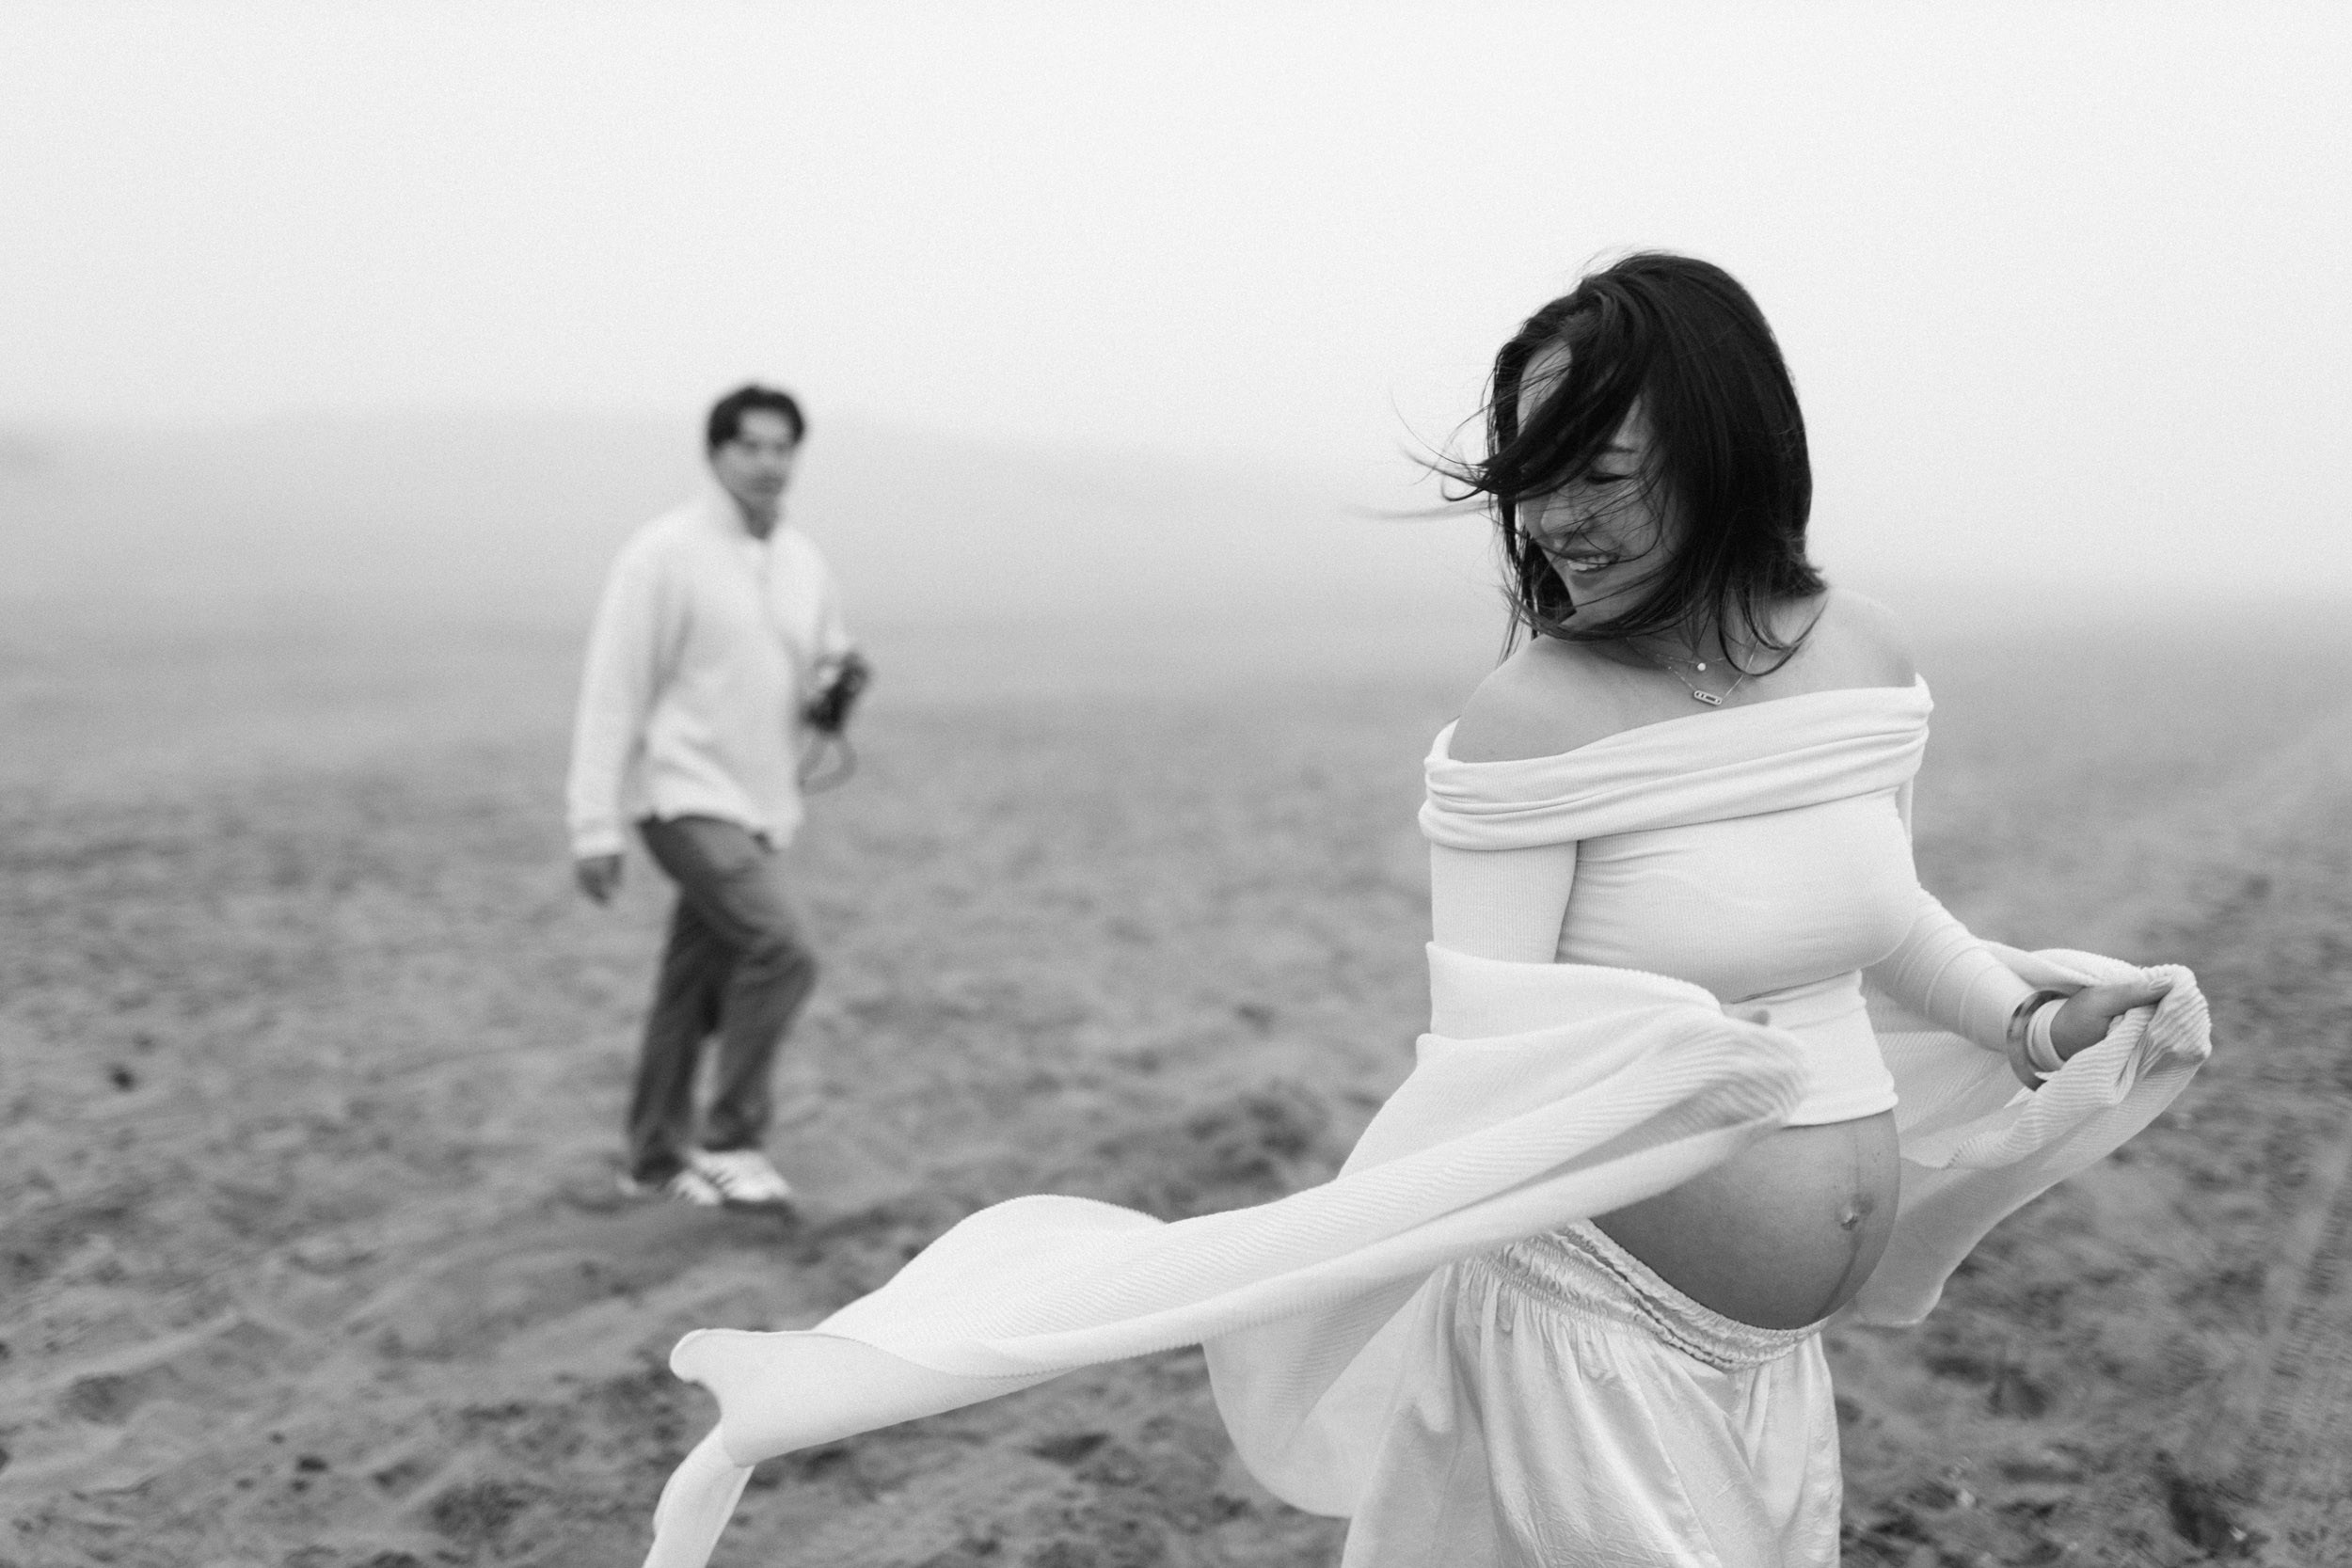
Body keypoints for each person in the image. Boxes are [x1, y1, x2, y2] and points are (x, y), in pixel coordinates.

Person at [632, 261, 2209, 1568]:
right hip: (1589, 1351)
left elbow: (1885, 912)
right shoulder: (1527, 725)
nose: (1552, 522)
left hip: (1778, 1370)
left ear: (1727, 444)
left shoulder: (1863, 659)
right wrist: (1684, 1063)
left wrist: (2039, 1017)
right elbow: (1487, 1069)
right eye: (1530, 480)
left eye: (1596, 470)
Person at [567, 384, 863, 1211]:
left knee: (690, 988)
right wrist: (594, 822)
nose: (769, 463)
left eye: (782, 448)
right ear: (717, 453)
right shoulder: (662, 554)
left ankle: (654, 1159)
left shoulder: (804, 562)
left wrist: (835, 685)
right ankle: (734, 1139)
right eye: (751, 446)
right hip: (682, 795)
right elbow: (614, 690)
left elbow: (824, 656)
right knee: (785, 948)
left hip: (765, 803)